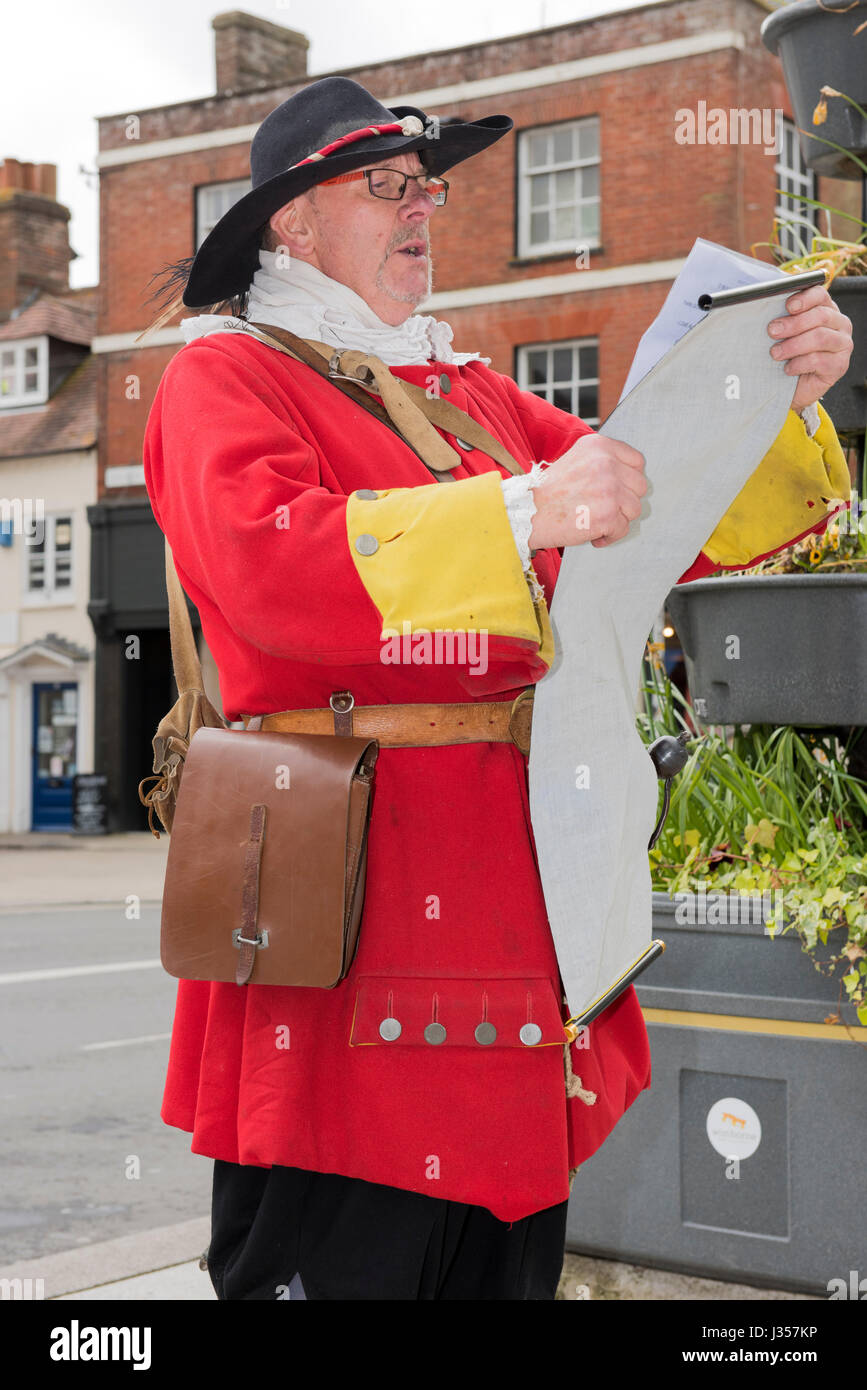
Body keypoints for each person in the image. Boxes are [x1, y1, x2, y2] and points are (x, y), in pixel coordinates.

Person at [141, 76, 854, 1300]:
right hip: (351, 906)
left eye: (428, 186)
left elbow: (648, 504)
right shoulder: (227, 379)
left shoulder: (464, 390)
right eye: (385, 185)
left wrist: (768, 394)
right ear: (289, 226)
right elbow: (269, 567)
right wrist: (525, 508)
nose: (423, 208)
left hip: (520, 894)